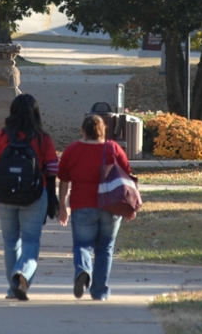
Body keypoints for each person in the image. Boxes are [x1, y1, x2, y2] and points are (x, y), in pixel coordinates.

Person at [0, 94, 59, 300]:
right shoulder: (42, 138)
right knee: (31, 240)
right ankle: (23, 273)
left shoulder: (3, 135)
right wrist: (55, 198)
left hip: (4, 197)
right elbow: (52, 169)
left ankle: (14, 288)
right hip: (34, 196)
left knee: (10, 241)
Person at [57, 114, 130, 301]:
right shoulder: (113, 148)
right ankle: (100, 291)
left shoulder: (73, 150)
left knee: (82, 244)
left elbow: (64, 180)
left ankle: (83, 270)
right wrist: (130, 206)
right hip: (111, 204)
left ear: (83, 131)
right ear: (102, 130)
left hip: (82, 204)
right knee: (105, 247)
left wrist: (62, 206)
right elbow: (127, 176)